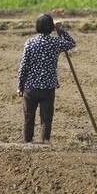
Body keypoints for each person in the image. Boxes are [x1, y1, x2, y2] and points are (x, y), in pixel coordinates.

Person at [17, 11, 76, 143]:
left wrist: (19, 86)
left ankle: (27, 141)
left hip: (30, 87)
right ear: (51, 28)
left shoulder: (30, 43)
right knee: (46, 118)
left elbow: (23, 66)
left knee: (28, 116)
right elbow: (72, 43)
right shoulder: (55, 43)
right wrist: (61, 29)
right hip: (48, 87)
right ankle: (45, 141)